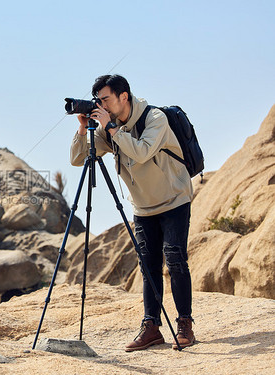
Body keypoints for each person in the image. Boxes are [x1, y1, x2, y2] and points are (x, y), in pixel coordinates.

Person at [70, 74, 195, 351]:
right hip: (143, 206)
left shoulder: (155, 118)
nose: (101, 105)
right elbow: (78, 159)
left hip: (174, 198)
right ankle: (151, 327)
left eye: (105, 99)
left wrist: (112, 130)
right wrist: (83, 129)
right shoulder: (107, 128)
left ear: (123, 96)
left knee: (174, 257)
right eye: (97, 101)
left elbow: (142, 152)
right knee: (148, 264)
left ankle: (184, 323)